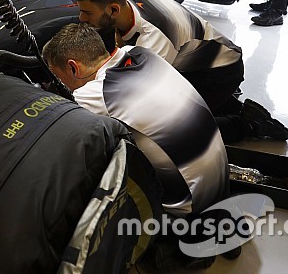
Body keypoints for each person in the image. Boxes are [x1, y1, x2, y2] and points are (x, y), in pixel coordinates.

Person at [69, 0, 288, 143]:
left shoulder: (155, 39)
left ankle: (249, 124)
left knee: (166, 126)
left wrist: (76, 99)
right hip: (195, 56)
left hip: (219, 71)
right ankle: (225, 105)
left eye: (86, 12)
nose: (81, 18)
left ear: (113, 10)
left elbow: (131, 95)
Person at [42, 22, 227, 216]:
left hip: (187, 203)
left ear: (73, 68)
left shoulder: (94, 94)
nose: (59, 84)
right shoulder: (140, 53)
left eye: (57, 77)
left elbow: (56, 133)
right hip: (217, 179)